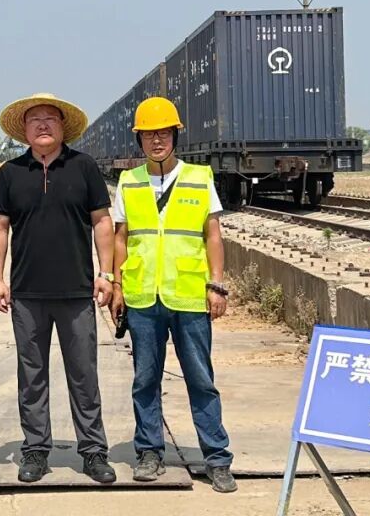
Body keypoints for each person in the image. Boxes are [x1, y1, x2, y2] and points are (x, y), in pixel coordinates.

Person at [0, 92, 117, 484]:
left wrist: (106, 273)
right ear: (24, 130)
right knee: (32, 377)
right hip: (27, 294)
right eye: (35, 119)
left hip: (77, 292)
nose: (43, 125)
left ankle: (93, 451)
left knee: (84, 375)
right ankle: (35, 450)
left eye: (50, 118)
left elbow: (102, 222)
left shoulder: (84, 167)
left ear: (63, 127)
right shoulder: (10, 173)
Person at [109, 96, 236, 493]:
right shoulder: (129, 182)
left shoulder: (199, 177)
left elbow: (212, 235)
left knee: (201, 379)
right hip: (143, 297)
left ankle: (217, 458)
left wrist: (217, 284)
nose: (157, 140)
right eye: (149, 134)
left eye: (163, 133)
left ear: (175, 136)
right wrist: (117, 286)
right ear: (139, 140)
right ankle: (149, 452)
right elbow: (120, 238)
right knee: (145, 379)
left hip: (189, 296)